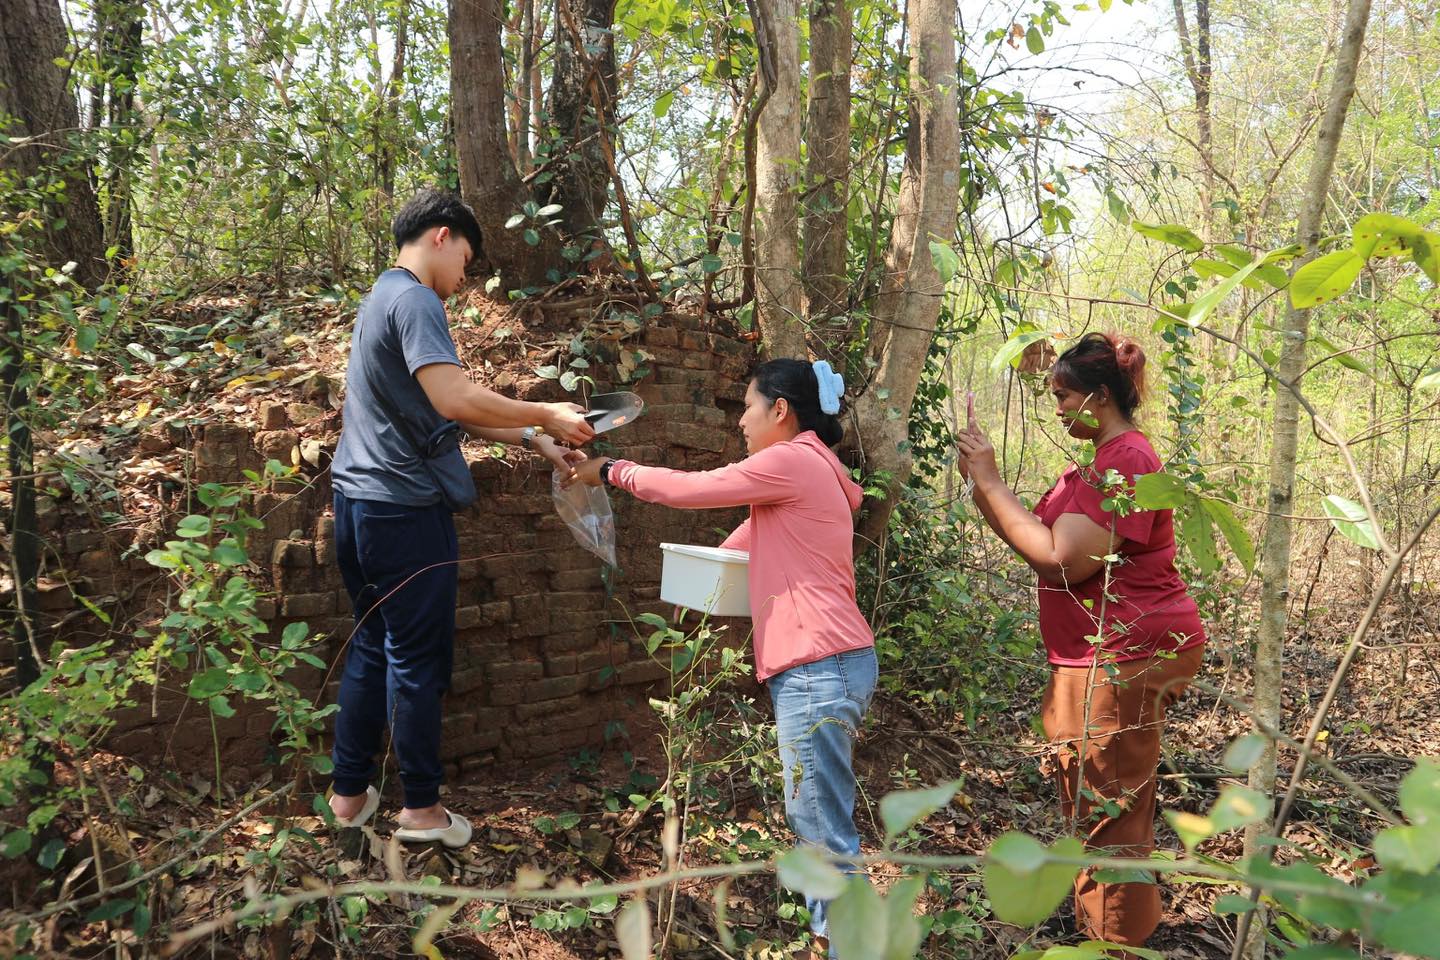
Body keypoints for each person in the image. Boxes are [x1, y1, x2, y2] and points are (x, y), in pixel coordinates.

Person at [571, 359, 876, 953]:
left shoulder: (791, 460)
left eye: (748, 406)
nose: (740, 420)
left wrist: (610, 469)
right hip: (837, 661)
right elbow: (743, 548)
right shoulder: (817, 470)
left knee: (821, 829)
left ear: (780, 410)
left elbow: (695, 489)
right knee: (816, 821)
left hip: (818, 666)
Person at [326, 188, 595, 847]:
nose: (464, 278)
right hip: (404, 510)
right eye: (467, 260)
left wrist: (532, 439)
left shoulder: (380, 297)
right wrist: (546, 411)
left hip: (356, 504)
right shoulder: (418, 299)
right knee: (417, 659)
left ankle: (348, 795)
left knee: (371, 645)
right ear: (441, 236)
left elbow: (436, 409)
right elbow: (452, 397)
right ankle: (420, 810)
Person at [955, 332, 1206, 948]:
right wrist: (981, 482)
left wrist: (992, 479)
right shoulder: (1096, 461)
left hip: (1123, 654)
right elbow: (1035, 541)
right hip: (1097, 654)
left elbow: (1062, 561)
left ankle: (1113, 946)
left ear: (1099, 397)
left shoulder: (1127, 459)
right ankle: (1108, 931)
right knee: (1097, 803)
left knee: (1108, 814)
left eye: (1065, 396)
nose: (1059, 408)